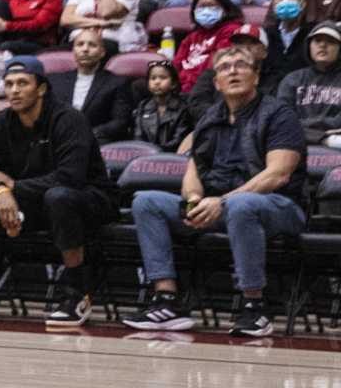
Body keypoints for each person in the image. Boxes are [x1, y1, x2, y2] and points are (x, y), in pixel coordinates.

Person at [121, 44, 308, 337]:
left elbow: (278, 174)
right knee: (146, 202)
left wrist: (221, 201)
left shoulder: (279, 115)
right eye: (224, 67)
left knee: (243, 205)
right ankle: (167, 300)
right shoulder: (210, 118)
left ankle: (254, 306)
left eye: (241, 65)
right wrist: (194, 200)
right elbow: (193, 169)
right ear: (217, 82)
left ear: (256, 76)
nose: (232, 70)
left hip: (279, 207)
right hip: (220, 205)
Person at [0, 57, 115, 326]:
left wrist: (13, 187)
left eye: (22, 83)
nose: (14, 90)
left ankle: (77, 294)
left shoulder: (69, 119)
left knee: (59, 196)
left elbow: (69, 177)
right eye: (8, 84)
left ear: (41, 88)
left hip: (87, 200)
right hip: (31, 201)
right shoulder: (2, 121)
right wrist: (0, 192)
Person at [62, 26, 134, 142]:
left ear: (102, 53)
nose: (85, 49)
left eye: (92, 45)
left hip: (97, 142)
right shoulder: (56, 81)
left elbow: (120, 122)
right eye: (80, 44)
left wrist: (88, 134)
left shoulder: (117, 82)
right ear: (73, 51)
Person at [278, 21, 341, 150]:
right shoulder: (292, 79)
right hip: (295, 144)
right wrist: (324, 136)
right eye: (317, 41)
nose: (323, 45)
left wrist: (305, 126)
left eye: (330, 41)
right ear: (309, 46)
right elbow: (283, 120)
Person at [131, 57, 198, 152]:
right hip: (145, 158)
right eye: (153, 78)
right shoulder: (143, 106)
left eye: (163, 78)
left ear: (173, 83)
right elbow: (138, 137)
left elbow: (179, 139)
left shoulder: (183, 108)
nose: (157, 82)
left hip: (172, 157)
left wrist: (156, 152)